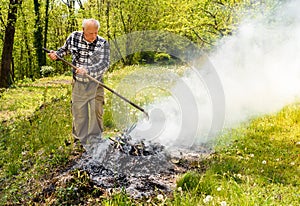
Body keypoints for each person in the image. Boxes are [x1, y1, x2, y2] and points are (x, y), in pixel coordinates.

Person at [47, 18, 110, 148]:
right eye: (90, 33)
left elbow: (104, 64)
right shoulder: (74, 37)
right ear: (83, 30)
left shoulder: (102, 43)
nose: (93, 36)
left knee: (96, 111)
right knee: (79, 112)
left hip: (95, 84)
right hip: (78, 84)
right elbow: (64, 50)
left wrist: (88, 70)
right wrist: (56, 54)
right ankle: (79, 142)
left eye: (96, 33)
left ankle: (95, 142)